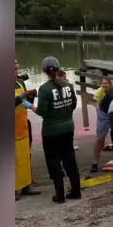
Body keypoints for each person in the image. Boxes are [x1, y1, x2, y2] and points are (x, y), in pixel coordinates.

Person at [35, 56, 82, 203]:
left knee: (54, 161)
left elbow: (43, 112)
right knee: (69, 158)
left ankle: (60, 196)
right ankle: (76, 191)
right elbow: (73, 105)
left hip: (51, 131)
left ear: (44, 71)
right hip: (68, 127)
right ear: (58, 68)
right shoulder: (68, 86)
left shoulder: (44, 89)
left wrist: (30, 106)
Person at [15, 62, 41, 201]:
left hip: (23, 125)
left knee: (25, 157)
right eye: (14, 69)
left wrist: (30, 97)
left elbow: (23, 100)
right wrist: (20, 97)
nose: (16, 71)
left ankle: (26, 186)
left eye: (17, 68)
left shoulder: (20, 82)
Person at [89, 76, 113, 174]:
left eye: (106, 83)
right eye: (102, 83)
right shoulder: (99, 91)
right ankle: (95, 162)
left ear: (110, 84)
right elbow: (97, 104)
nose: (104, 85)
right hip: (103, 114)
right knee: (99, 138)